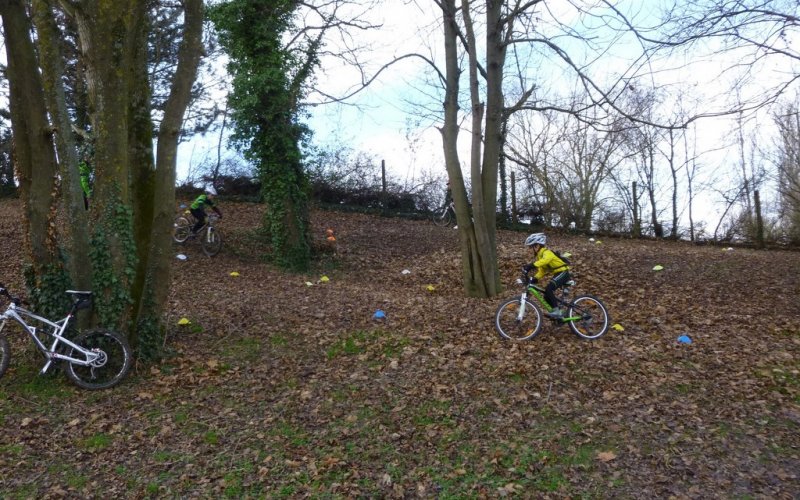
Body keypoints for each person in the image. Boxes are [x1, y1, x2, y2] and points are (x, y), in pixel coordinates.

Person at [523, 232, 571, 318]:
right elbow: (542, 270)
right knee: (546, 295)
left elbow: (545, 260)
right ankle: (557, 313)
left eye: (531, 247)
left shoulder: (546, 252)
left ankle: (557, 312)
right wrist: (535, 278)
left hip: (563, 272)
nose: (530, 249)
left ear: (537, 246)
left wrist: (531, 265)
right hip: (558, 273)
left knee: (549, 289)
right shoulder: (540, 256)